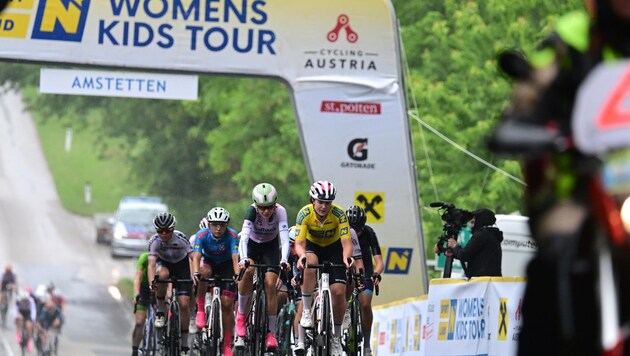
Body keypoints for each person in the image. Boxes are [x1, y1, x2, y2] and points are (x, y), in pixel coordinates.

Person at [490, 2, 630, 354]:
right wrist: (525, 122)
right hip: (585, 189)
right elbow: (532, 93)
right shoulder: (572, 38)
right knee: (556, 250)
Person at [295, 180, 354, 355]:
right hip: (313, 247)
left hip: (334, 249)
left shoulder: (339, 214)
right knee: (309, 264)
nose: (323, 206)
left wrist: (346, 257)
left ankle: (335, 338)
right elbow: (299, 243)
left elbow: (346, 242)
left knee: (338, 292)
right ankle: (307, 311)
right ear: (313, 200)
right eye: (320, 202)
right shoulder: (304, 213)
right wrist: (302, 256)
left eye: (327, 203)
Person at [235, 183, 290, 351]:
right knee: (248, 271)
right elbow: (243, 238)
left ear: (275, 204)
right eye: (262, 207)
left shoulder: (280, 211)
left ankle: (270, 333)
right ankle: (241, 316)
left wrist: (284, 259)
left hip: (270, 246)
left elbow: (285, 238)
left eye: (269, 207)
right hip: (251, 245)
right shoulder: (251, 212)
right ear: (255, 204)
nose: (266, 211)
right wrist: (243, 258)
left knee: (270, 284)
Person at [191, 207, 239, 356]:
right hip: (210, 262)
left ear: (227, 225)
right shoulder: (202, 235)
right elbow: (197, 257)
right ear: (209, 224)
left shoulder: (232, 235)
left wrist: (237, 274)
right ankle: (200, 309)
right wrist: (195, 273)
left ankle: (226, 345)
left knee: (226, 304)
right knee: (203, 272)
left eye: (222, 225)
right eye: (214, 224)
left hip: (226, 266)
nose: (218, 228)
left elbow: (235, 258)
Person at [147, 212, 194, 353]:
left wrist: (194, 277)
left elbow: (193, 258)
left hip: (182, 266)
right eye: (160, 231)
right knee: (161, 275)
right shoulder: (154, 241)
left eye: (167, 230)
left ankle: (184, 344)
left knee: (184, 303)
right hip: (165, 263)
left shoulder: (181, 238)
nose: (164, 234)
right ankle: (161, 311)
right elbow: (151, 265)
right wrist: (151, 283)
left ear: (173, 229)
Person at [344, 205, 383, 356]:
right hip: (347, 267)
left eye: (358, 228)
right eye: (352, 227)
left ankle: (366, 344)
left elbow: (378, 261)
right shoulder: (342, 231)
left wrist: (377, 273)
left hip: (365, 269)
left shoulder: (369, 232)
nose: (355, 231)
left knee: (365, 304)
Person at [446, 208, 503, 278]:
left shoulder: (482, 234)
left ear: (480, 221)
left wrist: (455, 245)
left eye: (473, 222)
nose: (471, 226)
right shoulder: (492, 235)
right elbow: (471, 254)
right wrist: (445, 250)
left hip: (481, 282)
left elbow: (464, 255)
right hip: (491, 282)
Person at [131, 252, 150, 356]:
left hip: (159, 288)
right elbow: (138, 277)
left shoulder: (166, 257)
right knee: (139, 322)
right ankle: (135, 350)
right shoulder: (145, 257)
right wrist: (136, 293)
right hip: (144, 288)